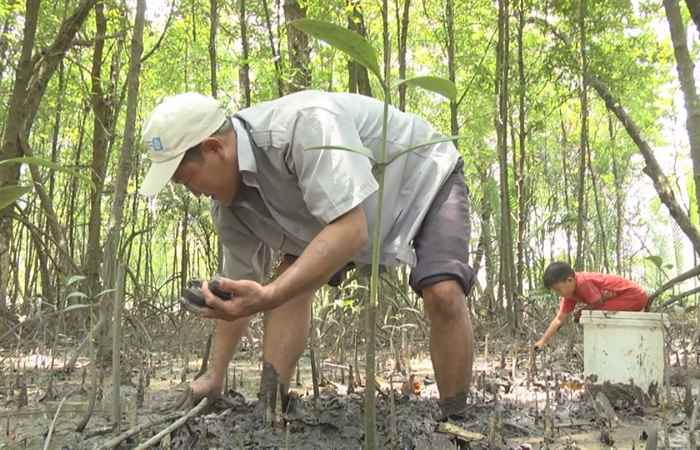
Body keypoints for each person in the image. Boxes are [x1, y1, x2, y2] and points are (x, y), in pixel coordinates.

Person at [139, 90, 475, 420]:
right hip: (346, 217)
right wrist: (215, 374)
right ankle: (270, 406)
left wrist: (270, 294)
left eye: (186, 180)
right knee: (287, 289)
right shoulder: (229, 209)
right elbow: (239, 288)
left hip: (421, 178)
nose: (194, 193)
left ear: (215, 148)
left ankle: (457, 422)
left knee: (443, 291)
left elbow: (351, 229)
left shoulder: (302, 126)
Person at [534, 261, 648, 350]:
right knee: (591, 315)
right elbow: (559, 319)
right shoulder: (570, 293)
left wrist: (581, 312)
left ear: (569, 280)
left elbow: (597, 302)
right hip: (629, 298)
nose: (559, 294)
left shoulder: (583, 282)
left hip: (633, 296)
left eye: (558, 290)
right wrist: (543, 341)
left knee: (593, 315)